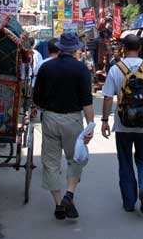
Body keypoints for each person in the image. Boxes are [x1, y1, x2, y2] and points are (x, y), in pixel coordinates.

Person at [101, 34, 143, 214]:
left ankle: (129, 202)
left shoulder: (116, 69)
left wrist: (105, 121)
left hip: (123, 125)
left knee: (125, 162)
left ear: (123, 48)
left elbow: (107, 97)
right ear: (140, 49)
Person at [33, 32, 95, 220]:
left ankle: (59, 203)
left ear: (60, 47)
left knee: (50, 162)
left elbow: (37, 98)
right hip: (73, 120)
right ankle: (70, 193)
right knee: (75, 159)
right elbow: (87, 101)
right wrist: (90, 126)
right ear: (75, 49)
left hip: (50, 118)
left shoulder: (46, 67)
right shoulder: (81, 69)